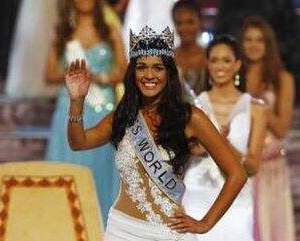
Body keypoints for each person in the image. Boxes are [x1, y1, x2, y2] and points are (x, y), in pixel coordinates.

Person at [66, 26, 247, 241]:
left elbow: (237, 174)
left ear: (168, 73)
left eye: (157, 68)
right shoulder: (124, 116)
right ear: (133, 73)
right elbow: (79, 142)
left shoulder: (191, 118)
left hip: (169, 233)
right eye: (141, 67)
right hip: (122, 231)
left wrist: (206, 223)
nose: (149, 75)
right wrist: (77, 102)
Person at [45, 0, 127, 225]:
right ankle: (65, 227)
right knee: (67, 169)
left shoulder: (109, 29)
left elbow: (123, 69)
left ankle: (100, 229)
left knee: (99, 172)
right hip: (70, 110)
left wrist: (98, 77)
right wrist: (74, 76)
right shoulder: (63, 29)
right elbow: (49, 73)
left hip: (103, 110)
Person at [182, 35, 267, 241]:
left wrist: (220, 142)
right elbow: (182, 153)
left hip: (236, 199)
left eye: (226, 60)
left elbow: (253, 167)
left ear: (237, 64)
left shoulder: (255, 109)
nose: (220, 66)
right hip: (197, 194)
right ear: (207, 64)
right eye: (214, 60)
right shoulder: (193, 108)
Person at [239, 16, 296, 241]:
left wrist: (258, 101)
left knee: (271, 227)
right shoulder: (233, 76)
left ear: (268, 44)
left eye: (259, 40)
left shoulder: (282, 79)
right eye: (248, 39)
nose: (253, 45)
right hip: (240, 164)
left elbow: (282, 129)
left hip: (271, 167)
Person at [172, 0, 207, 98]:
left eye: (190, 22)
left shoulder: (211, 57)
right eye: (179, 23)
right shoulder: (168, 58)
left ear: (200, 22)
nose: (185, 28)